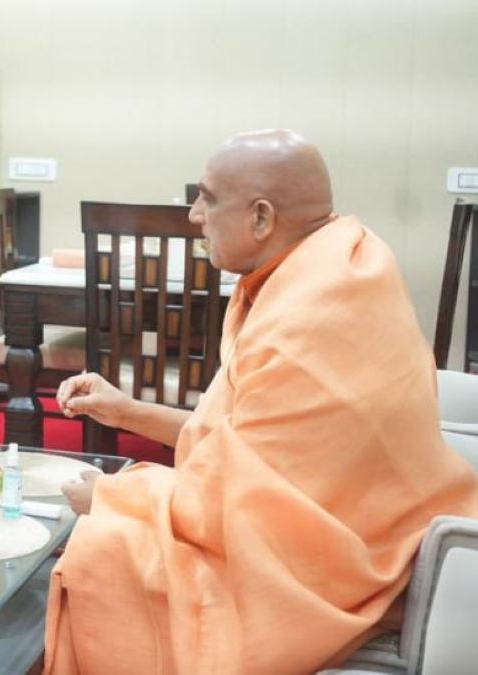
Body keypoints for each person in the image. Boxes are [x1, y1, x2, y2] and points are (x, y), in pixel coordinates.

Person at [44, 129, 478, 673]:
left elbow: (236, 504)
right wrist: (124, 410)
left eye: (207, 199)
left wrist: (112, 497)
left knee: (103, 552)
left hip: (345, 568)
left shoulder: (307, 318)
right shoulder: (341, 260)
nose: (194, 216)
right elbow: (243, 442)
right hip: (360, 525)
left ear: (261, 219)